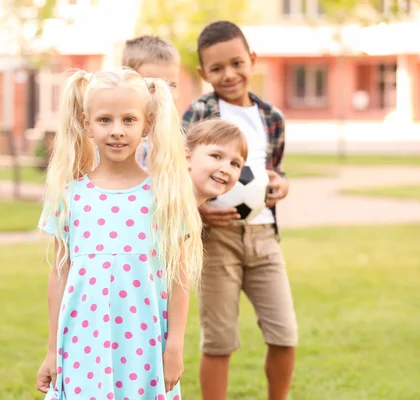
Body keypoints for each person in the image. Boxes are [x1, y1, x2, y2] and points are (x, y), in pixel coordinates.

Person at [35, 68, 203, 400]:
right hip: (84, 342)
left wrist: (175, 346)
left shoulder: (164, 197)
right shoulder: (69, 197)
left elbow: (178, 276)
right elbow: (59, 274)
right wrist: (53, 350)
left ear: (148, 124)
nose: (117, 131)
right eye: (105, 120)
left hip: (145, 344)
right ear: (86, 123)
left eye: (128, 120)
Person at [182, 21, 297, 400]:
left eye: (236, 63)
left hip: (264, 237)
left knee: (284, 334)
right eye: (216, 68)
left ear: (252, 59)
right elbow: (175, 173)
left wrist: (281, 183)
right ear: (203, 73)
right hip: (215, 241)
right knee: (219, 341)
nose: (228, 74)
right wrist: (199, 214)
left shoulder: (272, 117)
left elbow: (272, 170)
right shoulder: (197, 114)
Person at [121, 35, 181, 169]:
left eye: (171, 85)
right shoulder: (120, 137)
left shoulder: (178, 140)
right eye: (152, 86)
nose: (164, 94)